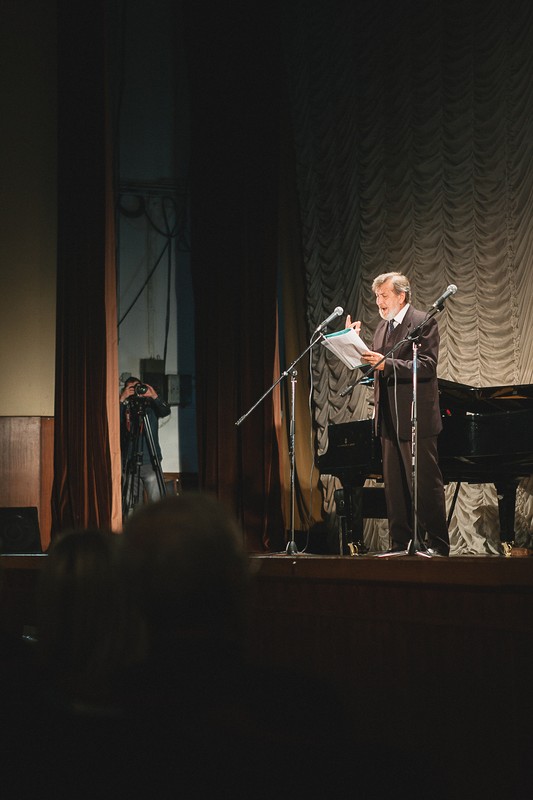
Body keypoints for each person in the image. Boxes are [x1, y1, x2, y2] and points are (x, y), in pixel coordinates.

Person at [346, 271, 450, 556]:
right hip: (387, 417)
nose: (379, 302)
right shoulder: (381, 328)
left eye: (384, 295)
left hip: (416, 417)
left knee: (425, 484)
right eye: (376, 296)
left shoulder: (422, 322)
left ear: (401, 296)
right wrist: (354, 345)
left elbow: (427, 365)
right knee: (393, 485)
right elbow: (374, 368)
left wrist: (386, 364)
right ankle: (400, 544)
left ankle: (437, 544)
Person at [120, 375, 171, 515]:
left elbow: (166, 411)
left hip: (150, 462)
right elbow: (112, 421)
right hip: (129, 462)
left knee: (158, 504)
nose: (135, 391)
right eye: (130, 388)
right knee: (131, 506)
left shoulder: (150, 406)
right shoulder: (124, 409)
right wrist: (122, 399)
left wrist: (154, 396)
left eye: (137, 387)